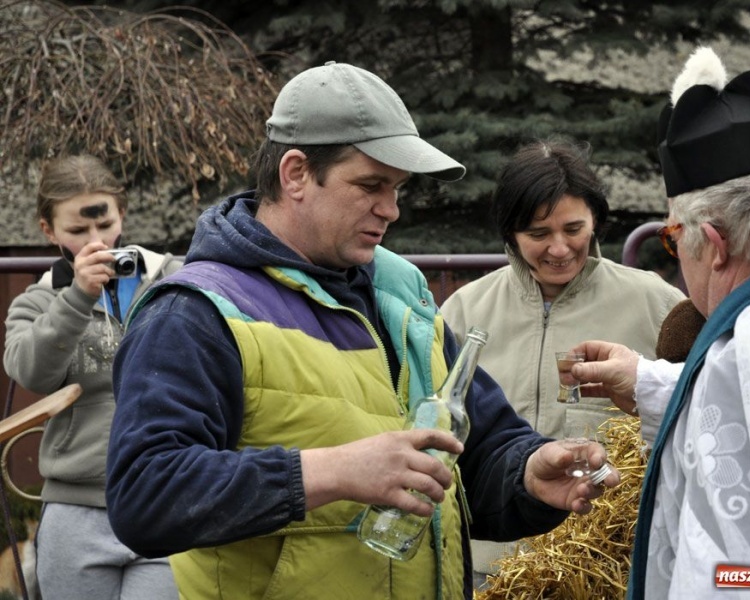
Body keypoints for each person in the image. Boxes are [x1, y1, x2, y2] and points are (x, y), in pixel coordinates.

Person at [103, 61, 620, 600]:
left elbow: (480, 449)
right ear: (296, 173)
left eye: (397, 188)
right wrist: (330, 472)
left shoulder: (401, 292)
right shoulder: (197, 311)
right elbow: (144, 495)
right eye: (371, 184)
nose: (391, 209)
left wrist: (529, 473)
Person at [569, 46, 750, 598]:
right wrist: (651, 382)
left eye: (674, 237)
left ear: (717, 246)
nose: (677, 255)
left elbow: (730, 577)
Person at [439, 139, 685, 585]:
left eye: (573, 229)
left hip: (602, 573)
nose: (558, 248)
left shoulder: (660, 305)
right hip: (485, 572)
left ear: (596, 221)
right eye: (538, 235)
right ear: (510, 233)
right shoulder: (461, 312)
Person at [3, 155, 181, 599]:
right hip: (75, 507)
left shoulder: (173, 279)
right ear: (48, 231)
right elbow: (31, 372)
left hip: (164, 495)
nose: (96, 241)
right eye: (77, 231)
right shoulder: (38, 301)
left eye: (105, 225)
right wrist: (77, 297)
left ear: (122, 213)